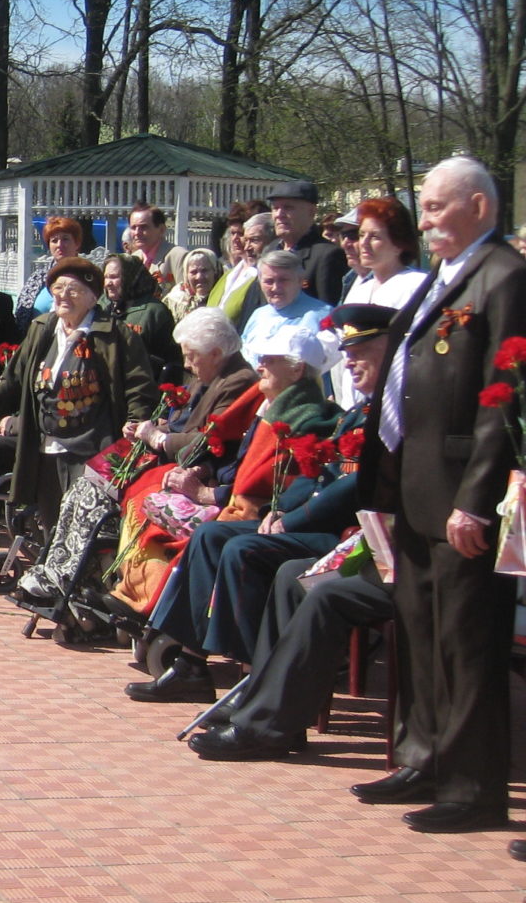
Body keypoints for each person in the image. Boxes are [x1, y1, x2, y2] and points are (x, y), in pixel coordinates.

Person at [355, 155, 526, 834]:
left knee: (466, 641)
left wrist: (477, 500)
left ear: (479, 208)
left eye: (434, 207)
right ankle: (421, 756)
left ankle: (473, 785)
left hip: (462, 492)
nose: (422, 220)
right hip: (415, 483)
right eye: (422, 207)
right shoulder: (442, 276)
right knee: (420, 631)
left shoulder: (505, 277)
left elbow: (502, 399)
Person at [185, 303, 396, 759]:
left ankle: (264, 708)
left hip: (354, 540)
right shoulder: (360, 413)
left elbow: (352, 487)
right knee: (282, 571)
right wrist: (280, 511)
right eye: (348, 351)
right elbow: (316, 476)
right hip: (348, 537)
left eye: (363, 351)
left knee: (279, 567)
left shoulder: (390, 414)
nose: (351, 361)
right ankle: (263, 698)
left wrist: (290, 520)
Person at [127, 326, 350, 702]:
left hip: (293, 521)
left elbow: (292, 481)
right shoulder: (277, 407)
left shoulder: (308, 416)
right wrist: (208, 473)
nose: (260, 365)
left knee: (233, 546)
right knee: (208, 536)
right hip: (260, 508)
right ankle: (191, 663)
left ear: (297, 371)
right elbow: (245, 467)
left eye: (270, 359)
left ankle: (250, 675)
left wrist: (269, 510)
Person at [13, 306, 256, 606]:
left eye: (191, 355)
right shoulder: (211, 374)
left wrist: (157, 436)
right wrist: (152, 427)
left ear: (217, 352)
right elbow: (184, 420)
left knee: (96, 497)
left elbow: (208, 438)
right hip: (169, 459)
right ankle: (57, 570)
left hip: (191, 468)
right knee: (82, 489)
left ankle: (68, 578)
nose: (187, 363)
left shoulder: (238, 381)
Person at [0, 257, 156, 536]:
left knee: (84, 528)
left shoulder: (116, 336)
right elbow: (14, 379)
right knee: (51, 524)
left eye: (73, 290)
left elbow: (138, 386)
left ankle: (83, 580)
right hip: (45, 445)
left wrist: (135, 423)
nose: (63, 295)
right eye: (58, 288)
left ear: (93, 298)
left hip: (92, 448)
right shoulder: (42, 329)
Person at [334, 197, 425, 408]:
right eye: (361, 234)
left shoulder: (416, 287)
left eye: (375, 236)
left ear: (398, 244)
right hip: (356, 406)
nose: (363, 243)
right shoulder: (359, 289)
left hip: (394, 404)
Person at [268, 180, 347, 306]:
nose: (279, 214)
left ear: (312, 212)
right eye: (275, 208)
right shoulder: (270, 250)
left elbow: (326, 311)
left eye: (288, 208)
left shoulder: (327, 255)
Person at [103, 254, 179, 382]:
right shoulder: (103, 308)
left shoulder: (154, 312)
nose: (108, 283)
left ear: (130, 277)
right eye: (106, 277)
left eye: (114, 277)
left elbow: (170, 361)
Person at [240, 250, 332, 353]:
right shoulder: (258, 315)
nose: (275, 288)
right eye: (269, 281)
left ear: (300, 280)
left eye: (283, 280)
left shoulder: (321, 316)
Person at [15, 216, 92, 326]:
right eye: (54, 241)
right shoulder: (37, 278)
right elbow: (21, 317)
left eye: (65, 239)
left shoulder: (88, 277)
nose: (59, 245)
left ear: (77, 243)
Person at [208, 211, 276, 331]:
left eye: (254, 240)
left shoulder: (266, 280)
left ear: (272, 242)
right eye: (247, 240)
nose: (247, 247)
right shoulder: (230, 273)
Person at [123, 201, 188, 292]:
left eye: (143, 227)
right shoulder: (134, 258)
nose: (137, 233)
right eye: (133, 227)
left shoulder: (178, 256)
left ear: (161, 229)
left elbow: (185, 297)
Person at [163, 248, 220, 323]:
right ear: (186, 275)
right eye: (193, 272)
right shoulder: (174, 301)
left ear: (215, 271)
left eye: (204, 270)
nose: (199, 277)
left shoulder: (225, 294)